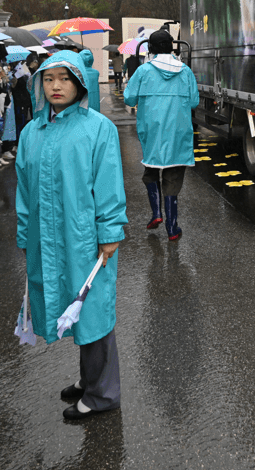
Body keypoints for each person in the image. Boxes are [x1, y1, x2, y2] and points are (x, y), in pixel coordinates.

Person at [15, 49, 127, 421]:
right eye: (48, 79)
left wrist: (109, 232)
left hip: (85, 239)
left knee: (92, 311)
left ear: (79, 83)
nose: (56, 86)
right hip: (46, 237)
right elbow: (24, 189)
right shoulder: (32, 131)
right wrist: (24, 233)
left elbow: (108, 185)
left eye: (64, 78)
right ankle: (89, 380)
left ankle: (103, 394)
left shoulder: (98, 128)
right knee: (71, 308)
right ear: (39, 83)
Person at [123, 29, 199, 241]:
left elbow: (129, 99)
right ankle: (172, 227)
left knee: (151, 169)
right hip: (178, 133)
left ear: (151, 49)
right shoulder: (185, 72)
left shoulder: (143, 71)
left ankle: (156, 213)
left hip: (152, 132)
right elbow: (194, 102)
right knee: (173, 176)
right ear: (172, 46)